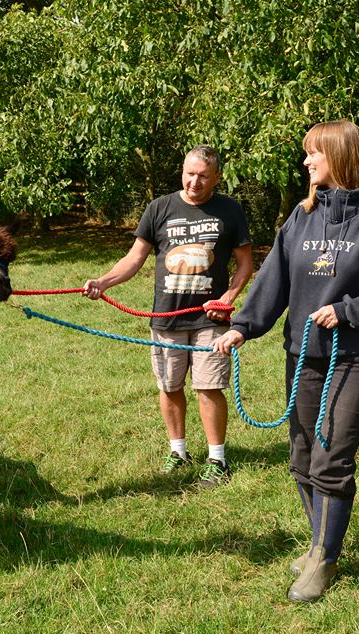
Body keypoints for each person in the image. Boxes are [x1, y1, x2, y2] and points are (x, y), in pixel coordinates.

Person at [213, 120, 359, 602]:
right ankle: (319, 542)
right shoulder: (301, 218)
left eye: (313, 154)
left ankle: (324, 561)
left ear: (339, 156)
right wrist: (243, 326)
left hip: (358, 355)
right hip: (303, 354)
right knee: (303, 456)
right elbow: (273, 280)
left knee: (331, 457)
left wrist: (348, 310)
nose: (306, 162)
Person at [83, 145, 254, 488]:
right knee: (170, 385)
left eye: (203, 176)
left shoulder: (230, 211)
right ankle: (178, 452)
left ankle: (217, 460)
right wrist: (103, 282)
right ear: (182, 172)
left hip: (211, 321)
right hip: (167, 318)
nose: (194, 181)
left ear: (216, 177)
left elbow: (245, 263)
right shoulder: (159, 208)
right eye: (189, 174)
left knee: (208, 387)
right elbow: (134, 259)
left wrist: (228, 297)